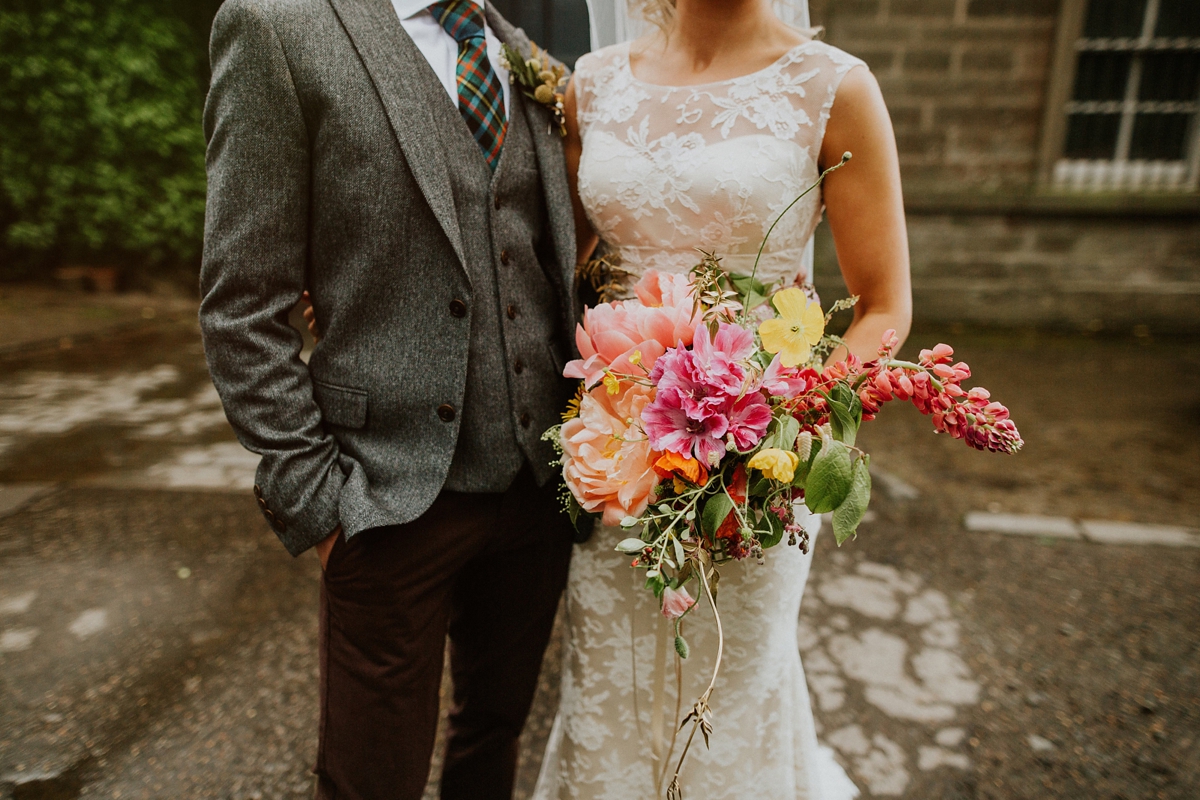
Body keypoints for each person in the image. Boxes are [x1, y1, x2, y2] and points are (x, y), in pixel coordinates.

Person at [198, 0, 580, 798]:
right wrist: (317, 499)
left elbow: (550, 261)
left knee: (492, 738)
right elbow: (243, 304)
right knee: (370, 778)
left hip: (536, 489)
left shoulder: (520, 53)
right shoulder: (279, 29)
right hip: (385, 498)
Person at [531, 0, 912, 797]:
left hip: (753, 461)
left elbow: (882, 306)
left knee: (733, 692)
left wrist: (782, 428)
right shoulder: (590, 88)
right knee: (612, 678)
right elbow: (551, 270)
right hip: (616, 457)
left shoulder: (832, 87)